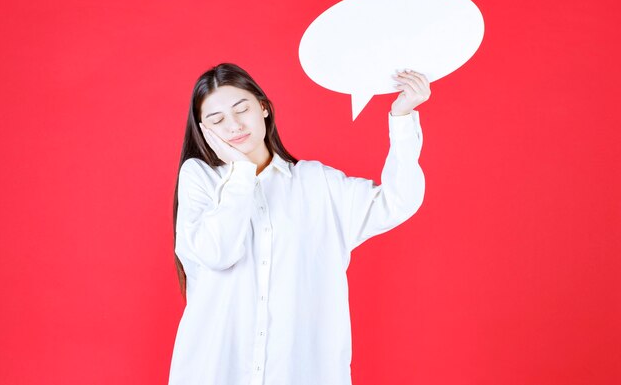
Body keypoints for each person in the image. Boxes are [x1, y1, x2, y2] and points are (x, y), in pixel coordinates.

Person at [168, 63, 430, 385]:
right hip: (215, 372)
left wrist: (402, 117)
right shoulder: (200, 179)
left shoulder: (316, 183)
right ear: (204, 130)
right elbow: (218, 253)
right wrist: (240, 172)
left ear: (263, 107)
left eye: (242, 109)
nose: (234, 126)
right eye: (217, 120)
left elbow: (397, 201)